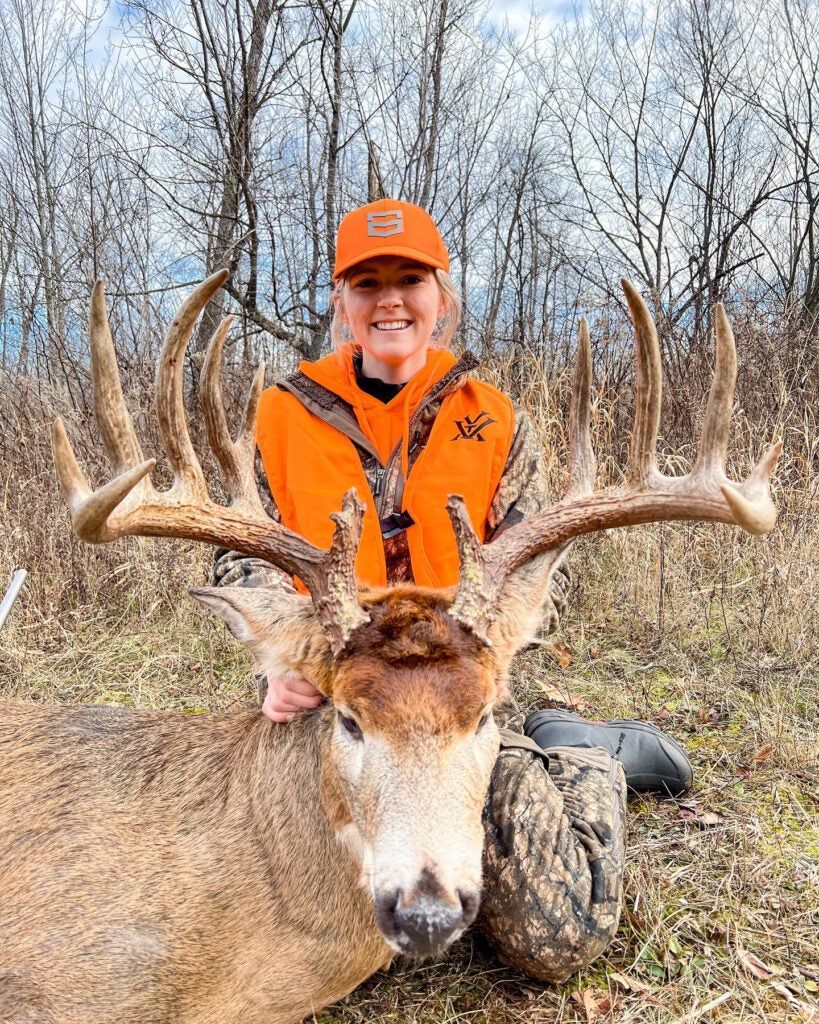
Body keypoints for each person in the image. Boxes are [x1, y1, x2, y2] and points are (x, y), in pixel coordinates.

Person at [212, 198, 692, 982]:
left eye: (410, 279)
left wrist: (480, 640)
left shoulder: (496, 419)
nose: (390, 301)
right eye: (367, 283)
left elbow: (547, 571)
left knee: (557, 936)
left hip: (457, 696)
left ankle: (579, 753)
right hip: (339, 691)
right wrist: (285, 659)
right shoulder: (278, 415)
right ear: (340, 303)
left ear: (443, 296)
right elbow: (237, 558)